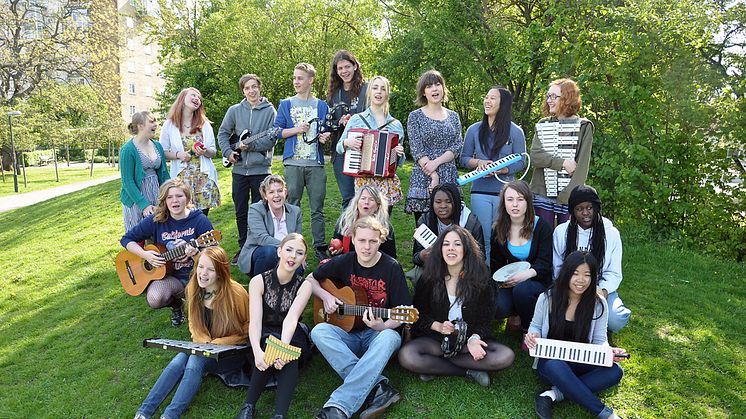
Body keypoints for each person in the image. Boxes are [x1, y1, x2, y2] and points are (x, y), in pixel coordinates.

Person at [308, 217, 411, 419]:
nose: (366, 247)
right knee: (319, 331)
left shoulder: (391, 267)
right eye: (362, 240)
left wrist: (382, 326)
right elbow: (311, 279)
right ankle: (379, 387)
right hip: (349, 335)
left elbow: (403, 312)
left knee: (390, 337)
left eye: (372, 241)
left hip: (378, 337)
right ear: (353, 239)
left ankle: (338, 407)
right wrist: (326, 296)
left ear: (380, 241)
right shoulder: (345, 261)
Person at [134, 246, 250, 419]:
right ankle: (143, 413)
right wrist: (203, 341)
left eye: (210, 269)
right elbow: (193, 324)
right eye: (201, 267)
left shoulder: (236, 293)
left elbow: (248, 329)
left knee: (195, 357)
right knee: (180, 358)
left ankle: (170, 416)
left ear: (220, 272)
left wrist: (218, 344)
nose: (203, 273)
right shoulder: (193, 288)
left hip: (233, 352)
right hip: (205, 347)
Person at [398, 225, 515, 386]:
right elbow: (418, 315)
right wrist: (438, 326)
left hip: (468, 339)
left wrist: (474, 339)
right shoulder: (430, 276)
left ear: (466, 249)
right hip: (438, 340)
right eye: (446, 244)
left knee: (504, 356)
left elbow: (485, 319)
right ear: (439, 248)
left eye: (457, 244)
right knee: (407, 355)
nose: (451, 249)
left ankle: (433, 366)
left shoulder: (482, 276)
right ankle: (468, 371)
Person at [525, 251, 626, 419]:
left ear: (593, 278)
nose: (581, 280)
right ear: (566, 274)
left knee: (615, 371)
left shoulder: (598, 304)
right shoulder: (547, 298)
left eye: (587, 275)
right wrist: (533, 334)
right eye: (576, 273)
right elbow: (535, 325)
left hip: (582, 359)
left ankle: (552, 395)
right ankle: (605, 414)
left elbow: (600, 340)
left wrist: (608, 352)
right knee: (554, 365)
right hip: (551, 362)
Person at [236, 233, 313, 419]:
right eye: (288, 250)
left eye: (299, 253)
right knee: (266, 345)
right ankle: (248, 407)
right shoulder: (258, 281)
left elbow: (291, 319)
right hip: (262, 333)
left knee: (291, 354)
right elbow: (254, 321)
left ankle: (279, 415)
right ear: (279, 251)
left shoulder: (305, 286)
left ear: (304, 259)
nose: (293, 256)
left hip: (291, 334)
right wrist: (256, 352)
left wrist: (283, 350)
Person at [121, 179, 214, 326]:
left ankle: (198, 300)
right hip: (170, 277)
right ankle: (176, 305)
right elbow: (127, 240)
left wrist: (196, 254)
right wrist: (146, 255)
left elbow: (215, 256)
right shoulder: (157, 220)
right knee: (155, 298)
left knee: (207, 319)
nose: (174, 201)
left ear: (187, 198)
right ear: (164, 200)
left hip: (197, 275)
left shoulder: (199, 220)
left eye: (179, 196)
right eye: (169, 197)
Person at [553, 185, 631, 333]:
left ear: (597, 208)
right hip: (569, 287)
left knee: (615, 320)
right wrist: (571, 290)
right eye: (579, 209)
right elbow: (557, 268)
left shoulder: (611, 234)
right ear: (572, 211)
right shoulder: (561, 232)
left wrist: (602, 291)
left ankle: (601, 324)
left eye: (590, 208)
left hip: (599, 288)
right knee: (556, 313)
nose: (585, 213)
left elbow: (614, 272)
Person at [217, 74, 277, 265]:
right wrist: (228, 152)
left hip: (261, 171)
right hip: (239, 171)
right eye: (247, 88)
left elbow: (271, 138)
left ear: (260, 87)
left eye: (254, 87)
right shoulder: (235, 110)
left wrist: (251, 146)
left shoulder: (270, 111)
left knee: (261, 211)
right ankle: (243, 247)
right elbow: (223, 133)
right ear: (243, 91)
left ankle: (259, 246)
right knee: (241, 211)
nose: (251, 91)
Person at [461, 86, 526, 258]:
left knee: (503, 238)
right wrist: (480, 163)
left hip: (505, 194)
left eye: (492, 98)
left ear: (503, 104)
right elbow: (464, 158)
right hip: (479, 191)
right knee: (483, 239)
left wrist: (503, 169)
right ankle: (484, 278)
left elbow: (522, 161)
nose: (487, 101)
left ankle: (505, 278)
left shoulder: (516, 132)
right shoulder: (473, 130)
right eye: (486, 97)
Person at [275, 63, 331, 262]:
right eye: (294, 78)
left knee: (317, 209)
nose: (296, 82)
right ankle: (293, 246)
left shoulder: (322, 105)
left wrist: (325, 136)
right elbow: (277, 131)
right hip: (293, 164)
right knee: (292, 206)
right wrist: (296, 130)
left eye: (300, 78)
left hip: (315, 164)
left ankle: (319, 247)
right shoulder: (286, 104)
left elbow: (325, 129)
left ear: (310, 80)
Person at [490, 180, 552, 336]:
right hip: (510, 281)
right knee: (497, 305)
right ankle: (515, 313)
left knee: (522, 290)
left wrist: (526, 275)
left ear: (528, 201)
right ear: (504, 203)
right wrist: (503, 282)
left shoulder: (541, 226)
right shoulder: (498, 228)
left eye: (520, 199)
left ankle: (529, 329)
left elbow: (545, 264)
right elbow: (496, 264)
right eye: (510, 199)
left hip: (537, 281)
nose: (515, 204)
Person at [336, 75, 406, 215]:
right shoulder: (357, 119)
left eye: (383, 89)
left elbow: (398, 162)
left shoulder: (395, 125)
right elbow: (339, 147)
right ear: (369, 92)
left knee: (383, 226)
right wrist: (346, 142)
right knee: (364, 223)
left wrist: (399, 152)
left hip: (386, 183)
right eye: (375, 88)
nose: (378, 92)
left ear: (387, 94)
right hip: (363, 181)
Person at [529, 78, 593, 227]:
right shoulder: (543, 124)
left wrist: (568, 195)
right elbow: (536, 157)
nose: (549, 101)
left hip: (570, 195)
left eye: (553, 96)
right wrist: (563, 163)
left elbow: (582, 166)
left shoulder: (584, 126)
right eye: (548, 96)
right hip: (541, 193)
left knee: (568, 240)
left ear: (567, 98)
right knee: (544, 241)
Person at [405, 69, 463, 223]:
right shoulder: (415, 116)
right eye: (429, 86)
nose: (434, 89)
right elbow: (416, 148)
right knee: (424, 229)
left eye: (438, 84)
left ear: (443, 88)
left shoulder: (454, 116)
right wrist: (433, 175)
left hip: (449, 174)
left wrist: (436, 163)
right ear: (424, 92)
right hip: (423, 176)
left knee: (450, 228)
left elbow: (457, 146)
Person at [159, 87, 221, 215]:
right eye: (193, 95)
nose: (197, 99)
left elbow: (213, 151)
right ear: (182, 99)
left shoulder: (204, 124)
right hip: (182, 179)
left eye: (199, 98)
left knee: (202, 217)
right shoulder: (169, 125)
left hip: (204, 178)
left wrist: (204, 151)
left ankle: (202, 236)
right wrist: (178, 155)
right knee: (182, 216)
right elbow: (162, 153)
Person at [237, 175, 302, 278]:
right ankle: (261, 288)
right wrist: (288, 249)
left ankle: (282, 291)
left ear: (285, 192)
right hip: (260, 253)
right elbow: (262, 239)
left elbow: (297, 239)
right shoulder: (256, 209)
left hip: (287, 254)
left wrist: (299, 255)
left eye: (280, 191)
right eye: (271, 192)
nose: (276, 195)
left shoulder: (295, 211)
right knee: (269, 252)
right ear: (265, 196)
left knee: (299, 270)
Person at [412, 183, 484, 276]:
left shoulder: (470, 222)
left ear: (456, 203)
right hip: (435, 268)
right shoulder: (425, 221)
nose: (443, 206)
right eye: (438, 202)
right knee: (420, 275)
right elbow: (416, 258)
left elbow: (481, 257)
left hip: (464, 270)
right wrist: (422, 256)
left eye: (448, 201)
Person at [326, 50, 368, 209]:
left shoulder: (367, 89)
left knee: (366, 197)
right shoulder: (333, 94)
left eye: (347, 67)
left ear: (355, 66)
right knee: (348, 198)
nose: (344, 71)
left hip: (366, 149)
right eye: (340, 68)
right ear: (336, 71)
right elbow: (328, 123)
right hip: (341, 150)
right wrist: (339, 122)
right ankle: (348, 234)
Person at [120, 111, 170, 233]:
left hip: (157, 196)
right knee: (138, 236)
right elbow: (127, 182)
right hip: (136, 199)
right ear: (140, 126)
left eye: (155, 121)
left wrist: (171, 193)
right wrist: (144, 205)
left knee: (159, 234)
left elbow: (164, 175)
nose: (156, 125)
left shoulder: (157, 145)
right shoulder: (128, 149)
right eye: (151, 122)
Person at [330, 184, 397, 259]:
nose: (366, 202)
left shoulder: (385, 227)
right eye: (363, 198)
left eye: (371, 199)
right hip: (347, 265)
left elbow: (390, 257)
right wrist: (335, 251)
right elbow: (335, 247)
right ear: (357, 202)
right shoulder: (345, 221)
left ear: (378, 205)